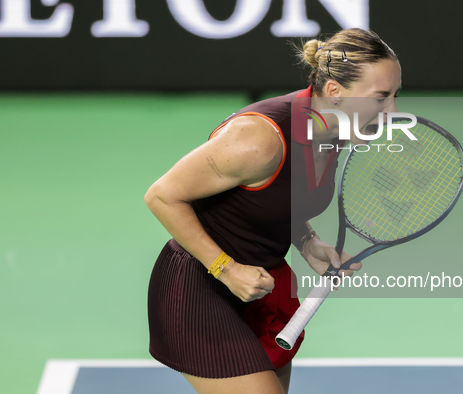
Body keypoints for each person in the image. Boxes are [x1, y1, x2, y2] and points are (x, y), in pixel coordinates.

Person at [144, 28, 402, 394]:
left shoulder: (334, 133)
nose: (393, 110)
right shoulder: (259, 140)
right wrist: (227, 269)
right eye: (380, 97)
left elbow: (275, 198)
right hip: (200, 289)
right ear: (334, 92)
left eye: (394, 95)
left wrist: (308, 241)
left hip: (262, 286)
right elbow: (162, 196)